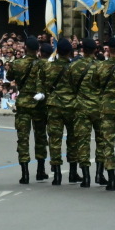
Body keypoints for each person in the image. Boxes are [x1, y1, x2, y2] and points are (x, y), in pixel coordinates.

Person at [8, 36, 48, 184]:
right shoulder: (42, 64)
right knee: (40, 137)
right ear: (38, 49)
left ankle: (24, 173)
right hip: (39, 105)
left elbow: (9, 76)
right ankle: (40, 170)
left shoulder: (17, 63)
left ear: (25, 48)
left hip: (23, 103)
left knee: (23, 139)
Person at [38, 39, 76, 185]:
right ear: (70, 52)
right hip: (71, 106)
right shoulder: (74, 68)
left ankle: (57, 174)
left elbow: (41, 84)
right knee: (73, 139)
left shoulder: (48, 67)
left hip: (54, 105)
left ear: (57, 51)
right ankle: (73, 172)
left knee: (54, 139)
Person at [68, 39, 102, 187]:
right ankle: (100, 174)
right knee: (101, 140)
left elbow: (70, 84)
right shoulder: (99, 66)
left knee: (82, 141)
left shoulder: (73, 66)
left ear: (82, 50)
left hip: (80, 106)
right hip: (97, 108)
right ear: (95, 50)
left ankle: (86, 176)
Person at [92, 38, 115, 191]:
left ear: (108, 50)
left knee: (107, 143)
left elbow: (95, 84)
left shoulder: (100, 67)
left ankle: (111, 178)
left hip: (106, 108)